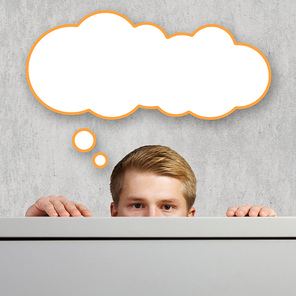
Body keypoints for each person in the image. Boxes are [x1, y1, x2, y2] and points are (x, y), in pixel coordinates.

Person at [25, 145, 277, 217]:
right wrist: (31, 237)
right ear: (114, 212)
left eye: (167, 207)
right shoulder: (81, 265)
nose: (152, 220)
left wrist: (265, 242)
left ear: (190, 217)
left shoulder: (219, 272)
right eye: (137, 205)